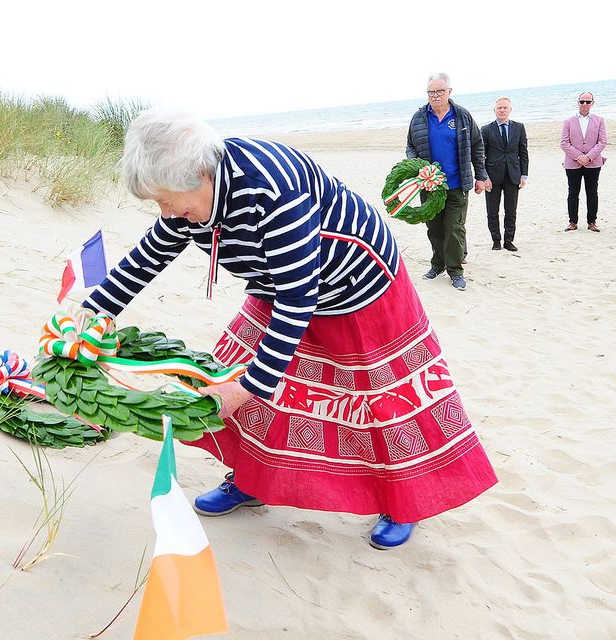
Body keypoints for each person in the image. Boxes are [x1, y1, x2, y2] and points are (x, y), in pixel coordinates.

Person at [81, 110, 498, 550]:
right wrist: (93, 315)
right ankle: (253, 480)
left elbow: (298, 302)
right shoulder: (190, 194)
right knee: (237, 370)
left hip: (355, 285)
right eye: (158, 204)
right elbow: (149, 254)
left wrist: (246, 389)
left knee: (379, 400)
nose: (167, 214)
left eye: (168, 201)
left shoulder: (273, 192)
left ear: (202, 174)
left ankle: (404, 502)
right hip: (277, 280)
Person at [407, 73, 490, 290]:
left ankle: (455, 271)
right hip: (429, 186)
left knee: (454, 228)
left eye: (439, 91)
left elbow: (477, 146)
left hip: (456, 184)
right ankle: (437, 264)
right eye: (431, 92)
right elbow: (410, 146)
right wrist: (417, 164)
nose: (435, 96)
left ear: (449, 92)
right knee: (434, 229)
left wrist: (480, 176)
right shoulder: (418, 117)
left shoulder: (462, 115)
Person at [480, 97, 527, 251]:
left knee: (511, 210)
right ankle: (496, 241)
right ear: (494, 110)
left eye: (505, 108)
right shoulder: (486, 129)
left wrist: (524, 175)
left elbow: (523, 152)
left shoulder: (519, 127)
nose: (502, 110)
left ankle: (508, 241)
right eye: (499, 108)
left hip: (513, 175)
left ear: (510, 110)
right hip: (492, 177)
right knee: (492, 211)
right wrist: (484, 177)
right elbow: (481, 155)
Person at [560, 91, 607, 232]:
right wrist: (579, 156)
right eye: (582, 101)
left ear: (593, 103)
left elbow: (602, 141)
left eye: (588, 101)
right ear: (578, 103)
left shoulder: (599, 120)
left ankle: (592, 222)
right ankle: (572, 222)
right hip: (573, 164)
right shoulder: (568, 121)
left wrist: (589, 157)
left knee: (592, 192)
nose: (585, 104)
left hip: (593, 163)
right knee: (573, 193)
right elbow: (564, 143)